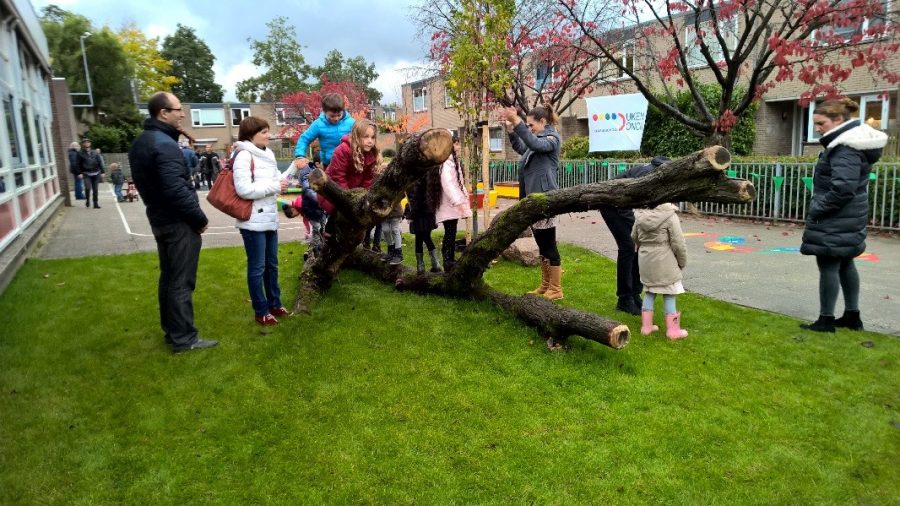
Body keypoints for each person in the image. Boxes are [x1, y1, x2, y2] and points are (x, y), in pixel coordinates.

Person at [129, 91, 216, 353]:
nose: (182, 114)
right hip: (177, 223)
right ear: (163, 113)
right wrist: (199, 219)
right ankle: (184, 338)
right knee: (181, 280)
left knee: (168, 277)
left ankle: (172, 331)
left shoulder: (143, 142)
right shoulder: (164, 145)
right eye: (178, 109)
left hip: (159, 219)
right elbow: (176, 190)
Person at [800, 98, 888, 333]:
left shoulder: (844, 149)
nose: (817, 129)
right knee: (846, 262)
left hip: (836, 218)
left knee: (828, 263)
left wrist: (819, 209)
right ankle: (852, 316)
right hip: (848, 217)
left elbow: (843, 188)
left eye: (821, 123)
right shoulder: (850, 145)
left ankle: (826, 320)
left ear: (838, 120)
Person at [500, 103, 564, 300]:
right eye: (526, 125)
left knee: (549, 245)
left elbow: (534, 144)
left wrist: (517, 120)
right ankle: (546, 285)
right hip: (533, 200)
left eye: (530, 125)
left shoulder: (551, 139)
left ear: (543, 121)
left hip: (545, 200)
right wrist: (511, 129)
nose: (529, 129)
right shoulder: (537, 139)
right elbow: (522, 147)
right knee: (542, 245)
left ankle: (556, 289)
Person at [233, 116, 290, 326]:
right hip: (252, 221)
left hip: (269, 219)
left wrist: (295, 166)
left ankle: (275, 303)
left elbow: (278, 179)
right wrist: (275, 187)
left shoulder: (269, 154)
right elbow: (244, 190)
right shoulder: (244, 156)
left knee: (272, 265)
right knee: (257, 268)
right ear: (251, 135)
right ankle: (261, 310)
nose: (269, 135)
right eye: (264, 132)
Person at [599, 155, 671, 315]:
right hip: (611, 205)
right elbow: (624, 202)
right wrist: (635, 228)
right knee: (628, 248)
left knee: (638, 248)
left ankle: (634, 293)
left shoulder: (658, 174)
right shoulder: (648, 175)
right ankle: (624, 298)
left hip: (625, 208)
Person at [632, 202, 688, 340]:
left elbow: (634, 236)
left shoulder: (640, 215)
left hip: (646, 259)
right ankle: (673, 330)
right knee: (669, 293)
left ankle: (646, 327)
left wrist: (643, 246)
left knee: (649, 291)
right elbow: (678, 242)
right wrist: (682, 261)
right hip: (665, 261)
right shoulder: (670, 216)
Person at [435, 133, 471, 272]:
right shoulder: (447, 162)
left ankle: (449, 259)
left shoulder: (452, 160)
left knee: (451, 232)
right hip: (449, 205)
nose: (459, 146)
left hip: (451, 205)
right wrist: (458, 201)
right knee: (450, 233)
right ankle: (447, 261)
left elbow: (458, 183)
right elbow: (449, 184)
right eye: (456, 143)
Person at [292, 92, 355, 170]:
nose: (336, 118)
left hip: (349, 164)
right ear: (325, 112)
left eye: (339, 115)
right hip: (328, 165)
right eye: (332, 116)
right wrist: (300, 155)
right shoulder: (318, 124)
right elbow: (304, 139)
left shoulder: (351, 123)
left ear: (343, 110)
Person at [406, 165, 442, 274]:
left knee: (421, 239)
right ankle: (433, 265)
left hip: (419, 214)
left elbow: (416, 200)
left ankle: (423, 267)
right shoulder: (429, 176)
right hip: (428, 213)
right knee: (426, 238)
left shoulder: (418, 180)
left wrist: (411, 215)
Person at [75, 138, 104, 209]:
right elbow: (77, 164)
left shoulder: (95, 152)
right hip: (86, 173)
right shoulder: (80, 153)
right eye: (85, 142)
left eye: (88, 142)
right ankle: (87, 200)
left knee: (95, 189)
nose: (87, 143)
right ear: (83, 144)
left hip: (96, 173)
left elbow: (100, 162)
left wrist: (102, 172)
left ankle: (95, 203)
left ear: (90, 144)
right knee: (87, 188)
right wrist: (79, 173)